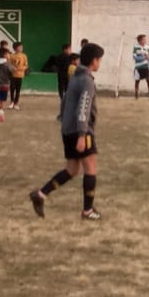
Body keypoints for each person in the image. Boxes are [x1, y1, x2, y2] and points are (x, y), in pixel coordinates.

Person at [29, 42, 105, 221]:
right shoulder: (86, 80)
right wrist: (82, 134)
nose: (100, 63)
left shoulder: (75, 77)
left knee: (72, 169)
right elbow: (83, 107)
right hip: (80, 131)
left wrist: (64, 122)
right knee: (90, 168)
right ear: (94, 60)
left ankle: (40, 194)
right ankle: (87, 210)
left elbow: (64, 101)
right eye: (100, 59)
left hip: (68, 129)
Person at [8, 41, 28, 110]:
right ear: (15, 48)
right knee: (12, 89)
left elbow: (26, 66)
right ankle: (11, 102)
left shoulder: (24, 56)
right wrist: (12, 68)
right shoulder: (11, 56)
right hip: (13, 75)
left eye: (21, 47)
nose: (21, 48)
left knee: (18, 90)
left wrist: (19, 69)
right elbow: (9, 64)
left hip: (20, 75)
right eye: (20, 47)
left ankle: (16, 103)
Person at [133, 34, 149, 99]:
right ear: (139, 41)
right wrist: (144, 58)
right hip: (138, 67)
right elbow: (135, 57)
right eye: (143, 39)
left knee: (148, 80)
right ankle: (136, 94)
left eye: (145, 39)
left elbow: (148, 58)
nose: (145, 40)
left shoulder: (147, 47)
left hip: (145, 66)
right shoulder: (136, 47)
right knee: (137, 80)